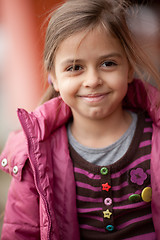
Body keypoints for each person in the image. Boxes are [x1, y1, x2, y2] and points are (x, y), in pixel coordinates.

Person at [0, 0, 160, 239]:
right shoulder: (36, 155)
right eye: (75, 67)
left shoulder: (155, 138)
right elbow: (21, 231)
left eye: (108, 63)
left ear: (128, 69)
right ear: (53, 76)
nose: (93, 80)